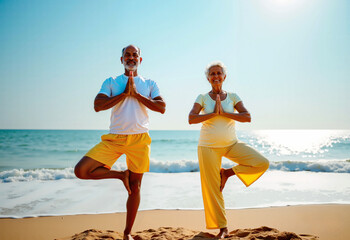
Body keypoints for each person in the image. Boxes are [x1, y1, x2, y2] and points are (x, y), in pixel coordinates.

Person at [74, 45, 166, 240]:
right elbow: (97, 106)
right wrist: (124, 93)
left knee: (135, 187)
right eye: (127, 55)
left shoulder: (149, 83)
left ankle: (127, 233)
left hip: (140, 138)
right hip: (115, 137)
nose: (131, 58)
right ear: (121, 59)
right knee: (81, 170)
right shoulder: (111, 81)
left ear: (140, 60)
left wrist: (137, 95)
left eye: (135, 55)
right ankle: (119, 175)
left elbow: (161, 107)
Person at [188, 61, 269, 238]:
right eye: (212, 74)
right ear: (208, 78)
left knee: (261, 162)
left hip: (232, 144)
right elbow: (191, 119)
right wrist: (213, 113)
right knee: (212, 189)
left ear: (224, 77)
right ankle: (223, 228)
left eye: (219, 73)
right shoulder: (202, 97)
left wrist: (224, 113)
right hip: (207, 147)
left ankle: (227, 173)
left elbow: (247, 117)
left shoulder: (233, 96)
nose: (216, 76)